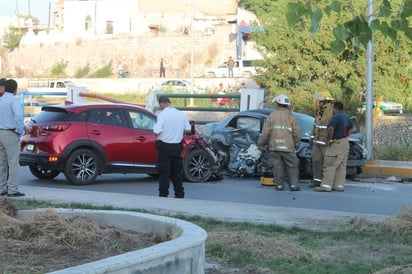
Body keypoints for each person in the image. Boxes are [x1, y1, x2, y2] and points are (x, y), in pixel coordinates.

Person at [257, 94, 301, 191]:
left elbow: (265, 132)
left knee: (277, 166)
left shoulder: (272, 116)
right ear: (287, 105)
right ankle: (293, 186)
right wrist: (297, 144)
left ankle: (279, 185)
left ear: (277, 104)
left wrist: (260, 143)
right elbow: (296, 132)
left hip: (275, 147)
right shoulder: (291, 116)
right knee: (292, 166)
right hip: (288, 148)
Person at [153, 95, 191, 198]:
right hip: (177, 147)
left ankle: (163, 194)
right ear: (169, 103)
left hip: (164, 147)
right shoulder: (181, 114)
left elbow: (156, 130)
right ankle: (179, 194)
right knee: (176, 172)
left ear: (162, 104)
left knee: (164, 172)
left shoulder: (162, 115)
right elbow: (188, 129)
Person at [315, 101, 353, 192]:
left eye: (332, 108)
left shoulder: (335, 117)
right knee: (341, 165)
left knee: (330, 165)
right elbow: (351, 128)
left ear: (335, 109)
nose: (332, 110)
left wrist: (330, 139)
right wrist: (345, 136)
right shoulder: (346, 117)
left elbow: (331, 129)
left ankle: (325, 186)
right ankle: (339, 186)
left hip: (336, 143)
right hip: (345, 143)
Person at [0, 78, 25, 197]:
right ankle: (13, 189)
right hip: (10, 133)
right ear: (15, 89)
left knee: (1, 163)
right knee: (13, 162)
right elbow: (19, 116)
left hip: (0, 132)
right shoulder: (13, 101)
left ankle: (1, 188)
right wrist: (19, 130)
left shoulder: (1, 100)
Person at [308, 91, 335, 187]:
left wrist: (330, 140)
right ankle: (317, 181)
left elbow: (333, 127)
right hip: (317, 143)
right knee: (316, 161)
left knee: (327, 164)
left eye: (320, 101)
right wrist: (311, 138)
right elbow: (315, 126)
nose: (318, 103)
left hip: (326, 143)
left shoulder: (331, 112)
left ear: (325, 101)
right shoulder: (320, 112)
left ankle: (326, 182)